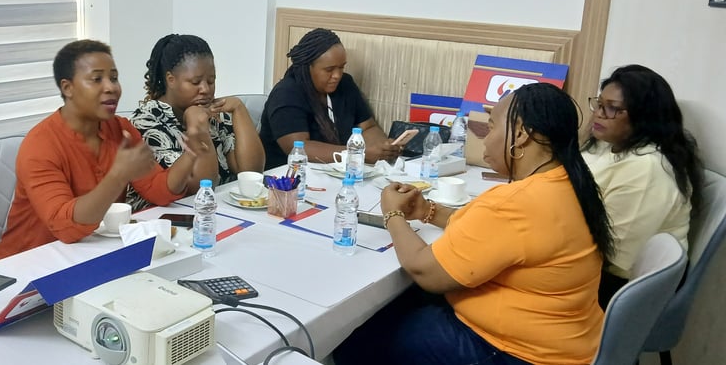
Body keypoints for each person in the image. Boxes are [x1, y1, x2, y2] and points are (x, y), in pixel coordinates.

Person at [333, 83, 614, 365]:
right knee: (400, 306)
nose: (486, 140)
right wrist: (427, 210)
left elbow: (425, 270)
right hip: (566, 344)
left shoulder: (517, 202)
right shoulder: (568, 183)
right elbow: (490, 234)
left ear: (521, 134)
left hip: (516, 353)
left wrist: (391, 214)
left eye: (492, 128)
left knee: (354, 342)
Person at [0, 39, 204, 259]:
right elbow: (64, 227)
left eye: (114, 78)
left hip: (94, 253)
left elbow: (159, 190)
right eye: (97, 79)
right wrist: (118, 175)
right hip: (28, 264)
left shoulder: (120, 129)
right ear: (68, 88)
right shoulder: (40, 146)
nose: (111, 87)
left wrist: (190, 154)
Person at [582, 64, 703, 307]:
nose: (599, 113)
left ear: (644, 117)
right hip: (593, 264)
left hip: (618, 287)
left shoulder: (648, 168)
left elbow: (613, 255)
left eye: (613, 109)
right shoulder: (607, 143)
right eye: (599, 103)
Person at [128, 34, 265, 209]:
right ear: (171, 79)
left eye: (211, 81)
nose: (205, 89)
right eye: (195, 82)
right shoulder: (147, 122)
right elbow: (198, 190)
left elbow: (251, 174)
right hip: (164, 220)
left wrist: (239, 109)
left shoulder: (212, 112)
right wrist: (199, 130)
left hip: (218, 212)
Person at [259, 28, 402, 168]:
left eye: (341, 67)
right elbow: (299, 148)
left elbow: (367, 127)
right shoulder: (286, 94)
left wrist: (383, 148)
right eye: (329, 69)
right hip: (288, 178)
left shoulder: (345, 84)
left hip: (337, 172)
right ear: (308, 67)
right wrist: (356, 155)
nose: (337, 75)